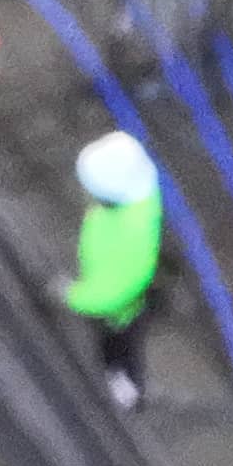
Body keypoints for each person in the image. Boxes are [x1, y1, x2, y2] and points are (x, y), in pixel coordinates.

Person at [66, 128, 165, 411]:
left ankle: (128, 391)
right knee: (125, 336)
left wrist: (70, 296)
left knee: (117, 345)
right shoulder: (137, 194)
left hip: (123, 304)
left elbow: (108, 295)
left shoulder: (128, 234)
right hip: (133, 282)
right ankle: (127, 385)